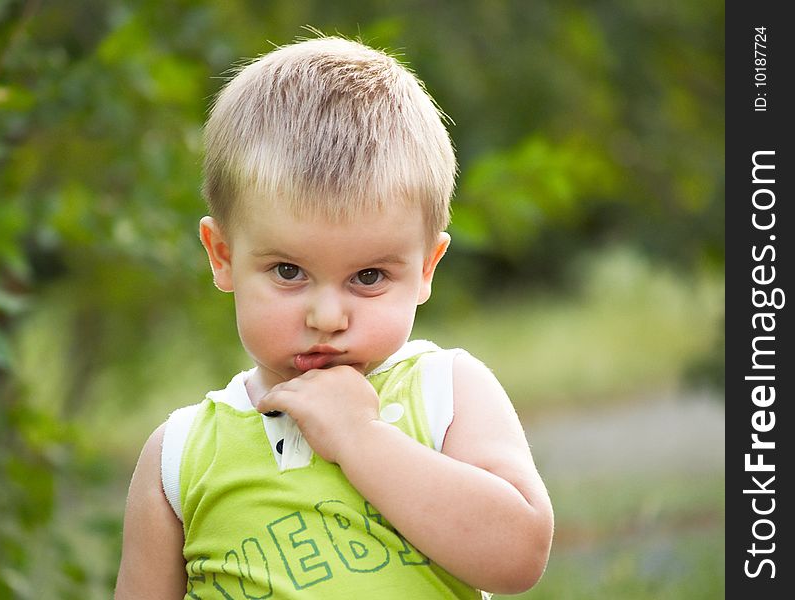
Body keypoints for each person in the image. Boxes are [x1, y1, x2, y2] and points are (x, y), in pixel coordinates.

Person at [115, 35, 553, 599]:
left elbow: (518, 557)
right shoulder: (179, 456)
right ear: (222, 256)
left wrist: (359, 436)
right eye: (289, 271)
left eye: (368, 277)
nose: (327, 316)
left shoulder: (446, 394)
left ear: (426, 269)